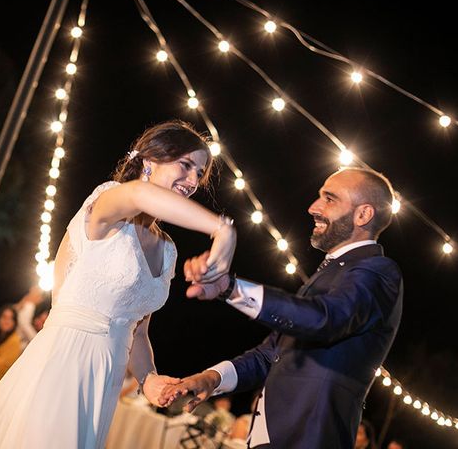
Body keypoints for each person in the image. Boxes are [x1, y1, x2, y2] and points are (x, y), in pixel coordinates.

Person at [0, 120, 237, 449]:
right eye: (185, 165)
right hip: (63, 361)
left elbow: (137, 331)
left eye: (199, 173)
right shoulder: (108, 202)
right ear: (150, 160)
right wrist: (222, 229)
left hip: (104, 380)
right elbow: (139, 193)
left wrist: (148, 379)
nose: (193, 181)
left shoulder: (167, 250)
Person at [162, 167, 403, 449]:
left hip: (307, 438)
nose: (314, 207)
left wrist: (230, 288)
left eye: (329, 199)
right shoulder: (331, 273)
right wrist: (212, 379)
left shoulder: (379, 272)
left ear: (363, 215)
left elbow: (324, 319)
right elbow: (271, 354)